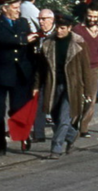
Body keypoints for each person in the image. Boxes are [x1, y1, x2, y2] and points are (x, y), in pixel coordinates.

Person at [0, 0, 39, 155]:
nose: (18, 11)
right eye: (15, 8)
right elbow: (1, 39)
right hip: (1, 72)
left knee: (18, 109)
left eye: (19, 7)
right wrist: (23, 40)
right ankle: (0, 142)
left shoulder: (23, 23)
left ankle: (22, 134)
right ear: (5, 9)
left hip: (19, 73)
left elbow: (30, 46)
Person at [35, 14, 91, 159]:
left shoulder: (78, 43)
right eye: (58, 28)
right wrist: (36, 86)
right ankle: (72, 135)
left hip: (72, 87)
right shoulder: (48, 43)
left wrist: (88, 91)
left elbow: (86, 68)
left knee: (64, 117)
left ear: (70, 28)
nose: (59, 31)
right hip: (53, 86)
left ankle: (56, 148)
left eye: (63, 28)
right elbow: (40, 69)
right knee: (55, 117)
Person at [72, 3, 98, 137]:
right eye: (90, 16)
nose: (92, 19)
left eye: (95, 17)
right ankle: (73, 123)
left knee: (91, 98)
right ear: (85, 15)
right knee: (78, 97)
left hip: (94, 67)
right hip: (79, 67)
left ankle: (84, 127)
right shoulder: (77, 30)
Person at [32, 9, 56, 143]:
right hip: (41, 76)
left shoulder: (58, 35)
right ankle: (39, 134)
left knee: (55, 107)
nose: (41, 22)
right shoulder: (37, 37)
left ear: (51, 20)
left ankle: (66, 133)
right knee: (39, 104)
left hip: (55, 77)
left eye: (44, 19)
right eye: (39, 19)